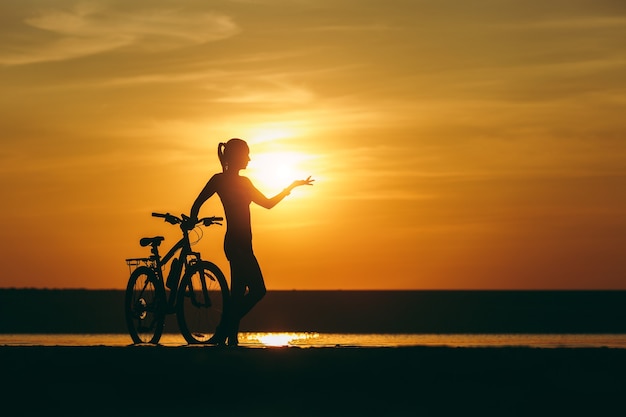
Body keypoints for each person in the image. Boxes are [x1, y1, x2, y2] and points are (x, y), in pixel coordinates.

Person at [188, 138, 314, 346]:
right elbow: (198, 202)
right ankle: (224, 329)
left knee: (237, 293)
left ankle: (230, 339)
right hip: (237, 245)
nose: (249, 158)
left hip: (244, 244)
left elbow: (267, 204)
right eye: (246, 154)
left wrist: (290, 187)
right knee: (258, 290)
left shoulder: (242, 182)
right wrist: (193, 219)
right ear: (236, 156)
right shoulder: (220, 180)